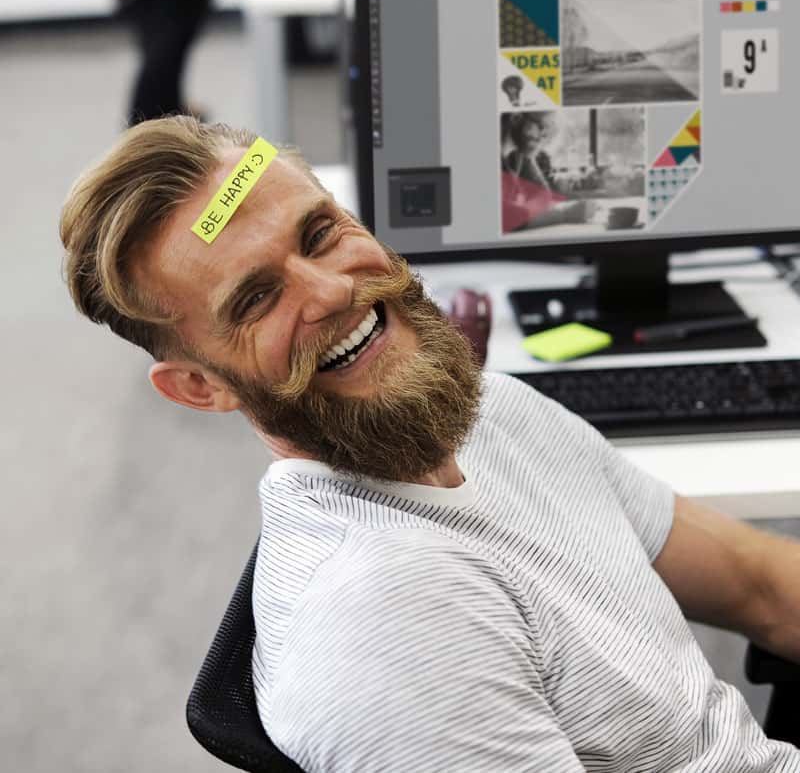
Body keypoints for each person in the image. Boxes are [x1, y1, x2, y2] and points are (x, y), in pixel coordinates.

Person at [59, 116, 800, 772]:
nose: (332, 291)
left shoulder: (490, 409)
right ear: (199, 387)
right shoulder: (386, 621)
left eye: (320, 234)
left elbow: (758, 585)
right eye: (256, 298)